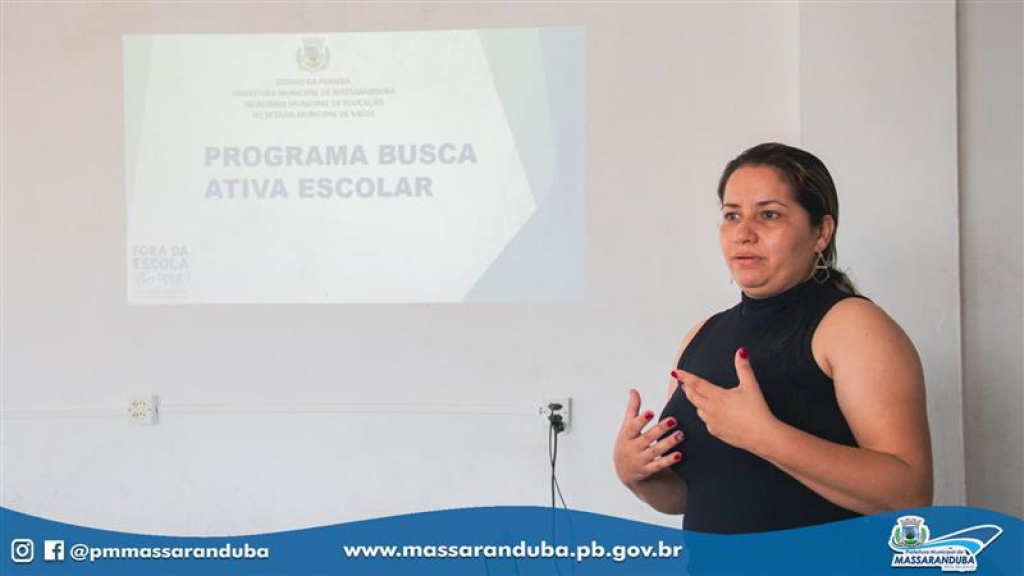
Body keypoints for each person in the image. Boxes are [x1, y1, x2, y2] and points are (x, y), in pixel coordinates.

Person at [612, 143, 934, 534]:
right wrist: (636, 473)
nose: (743, 233)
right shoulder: (701, 335)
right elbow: (683, 497)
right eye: (732, 215)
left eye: (769, 214)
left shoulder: (853, 326)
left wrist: (767, 438)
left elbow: (910, 494)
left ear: (821, 232)